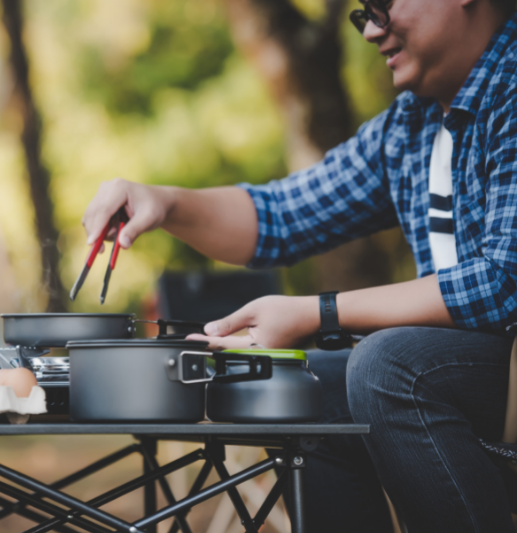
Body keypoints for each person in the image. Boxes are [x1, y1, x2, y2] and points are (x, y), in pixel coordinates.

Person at [81, 0, 517, 531]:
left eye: (382, 6)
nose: (372, 31)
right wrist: (165, 202)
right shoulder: (411, 127)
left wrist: (320, 312)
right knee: (295, 383)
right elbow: (281, 217)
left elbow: (501, 282)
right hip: (473, 376)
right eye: (362, 15)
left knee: (387, 364)